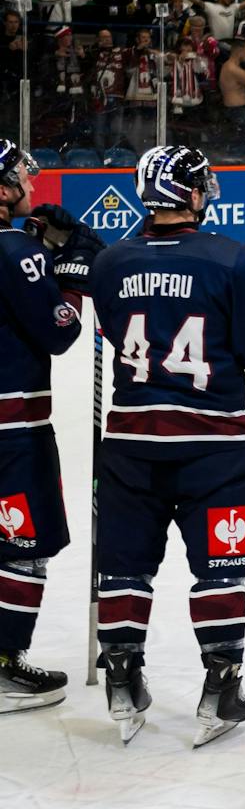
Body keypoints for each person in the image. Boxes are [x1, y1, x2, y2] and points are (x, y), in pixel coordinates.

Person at [90, 146, 245, 746]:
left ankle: (122, 677)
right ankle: (221, 685)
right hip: (214, 448)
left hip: (128, 445)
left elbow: (111, 330)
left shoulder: (111, 262)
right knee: (221, 565)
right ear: (193, 194)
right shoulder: (233, 260)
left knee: (123, 565)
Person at [0, 144, 86, 711]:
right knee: (23, 546)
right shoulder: (17, 250)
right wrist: (70, 273)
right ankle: (5, 665)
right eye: (20, 176)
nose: (31, 182)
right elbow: (60, 330)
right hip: (12, 432)